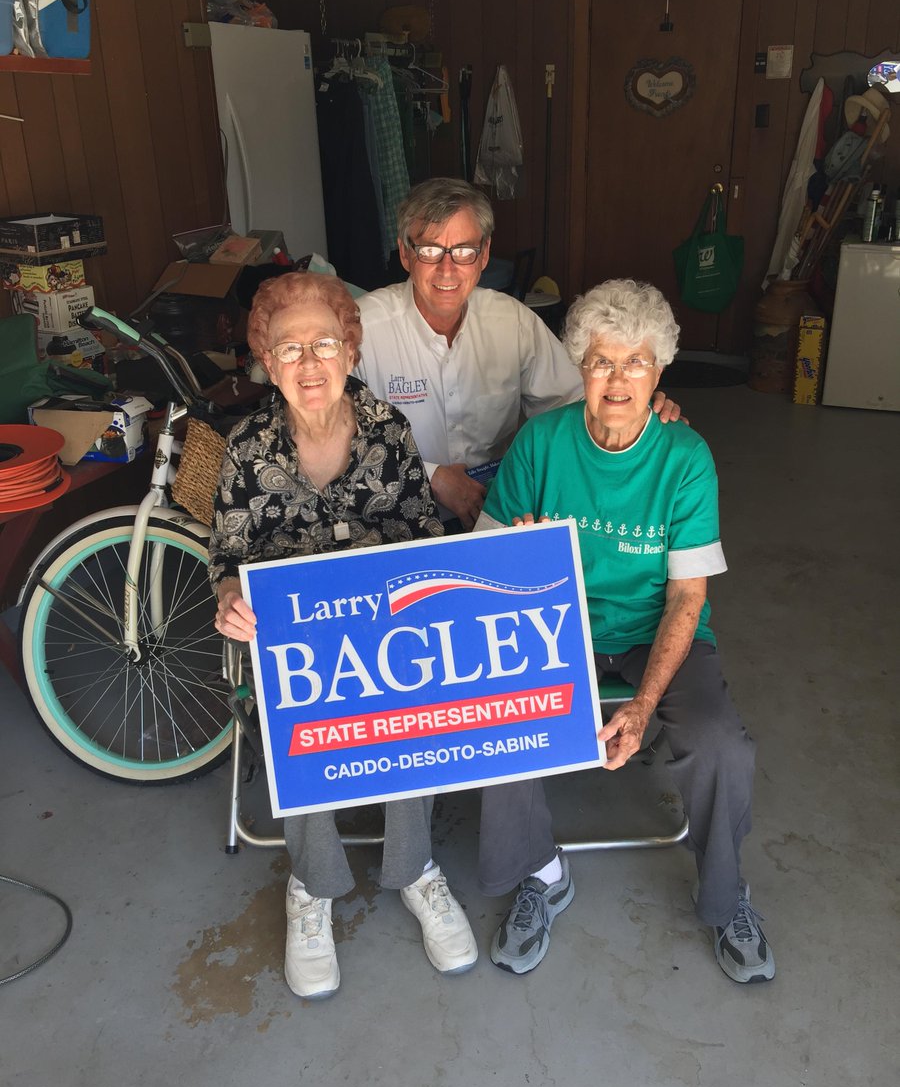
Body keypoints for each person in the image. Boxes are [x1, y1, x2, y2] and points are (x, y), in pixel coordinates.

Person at [473, 279, 775, 985]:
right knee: (496, 719)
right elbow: (483, 566)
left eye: (635, 362)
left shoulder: (685, 458)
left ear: (659, 370)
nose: (617, 379)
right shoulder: (542, 442)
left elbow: (686, 599)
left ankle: (727, 895)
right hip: (556, 623)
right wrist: (519, 554)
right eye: (601, 361)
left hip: (655, 629)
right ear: (579, 367)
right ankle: (541, 875)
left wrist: (640, 705)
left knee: (721, 742)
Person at [209, 271, 478, 1001]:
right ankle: (313, 884)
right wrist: (231, 596)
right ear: (266, 361)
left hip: (383, 644)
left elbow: (424, 537)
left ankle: (416, 869)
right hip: (296, 654)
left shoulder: (388, 430)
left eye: (323, 343)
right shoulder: (245, 450)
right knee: (291, 706)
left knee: (410, 690)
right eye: (287, 348)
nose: (308, 363)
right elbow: (227, 561)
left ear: (350, 352)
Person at [356, 178, 681, 529]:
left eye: (464, 251)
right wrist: (432, 476)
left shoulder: (512, 321)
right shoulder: (363, 330)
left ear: (484, 254)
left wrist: (637, 405)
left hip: (500, 505)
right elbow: (330, 440)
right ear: (405, 253)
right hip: (394, 514)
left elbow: (576, 403)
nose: (447, 269)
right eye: (430, 250)